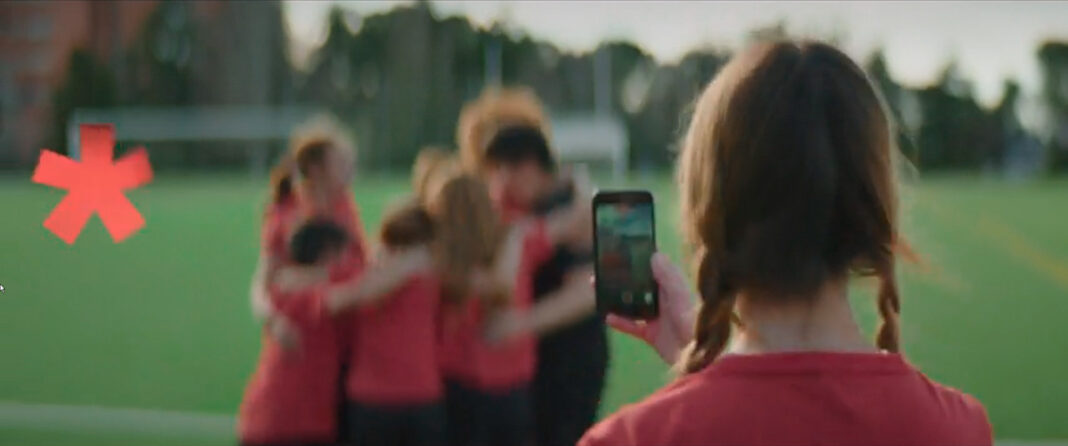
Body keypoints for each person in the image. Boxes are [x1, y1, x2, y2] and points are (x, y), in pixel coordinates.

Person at [578, 40, 992, 446]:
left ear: (708, 210)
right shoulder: (960, 429)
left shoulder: (629, 439)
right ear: (875, 209)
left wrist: (706, 378)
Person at [457, 88, 606, 446]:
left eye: (506, 165)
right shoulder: (530, 204)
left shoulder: (569, 206)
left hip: (568, 356)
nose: (499, 179)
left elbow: (590, 290)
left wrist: (520, 324)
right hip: (527, 362)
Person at [318, 149, 458, 446]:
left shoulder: (430, 273)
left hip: (402, 400)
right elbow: (335, 299)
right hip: (388, 400)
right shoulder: (378, 272)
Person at [248, 119, 370, 443]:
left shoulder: (345, 207)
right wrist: (273, 320)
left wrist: (319, 276)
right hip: (307, 343)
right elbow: (264, 284)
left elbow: (359, 267)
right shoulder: (287, 214)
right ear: (316, 170)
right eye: (342, 163)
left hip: (343, 344)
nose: (350, 171)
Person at [237, 220, 351, 446]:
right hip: (299, 424)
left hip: (266, 419)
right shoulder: (317, 296)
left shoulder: (282, 290)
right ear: (328, 254)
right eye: (345, 254)